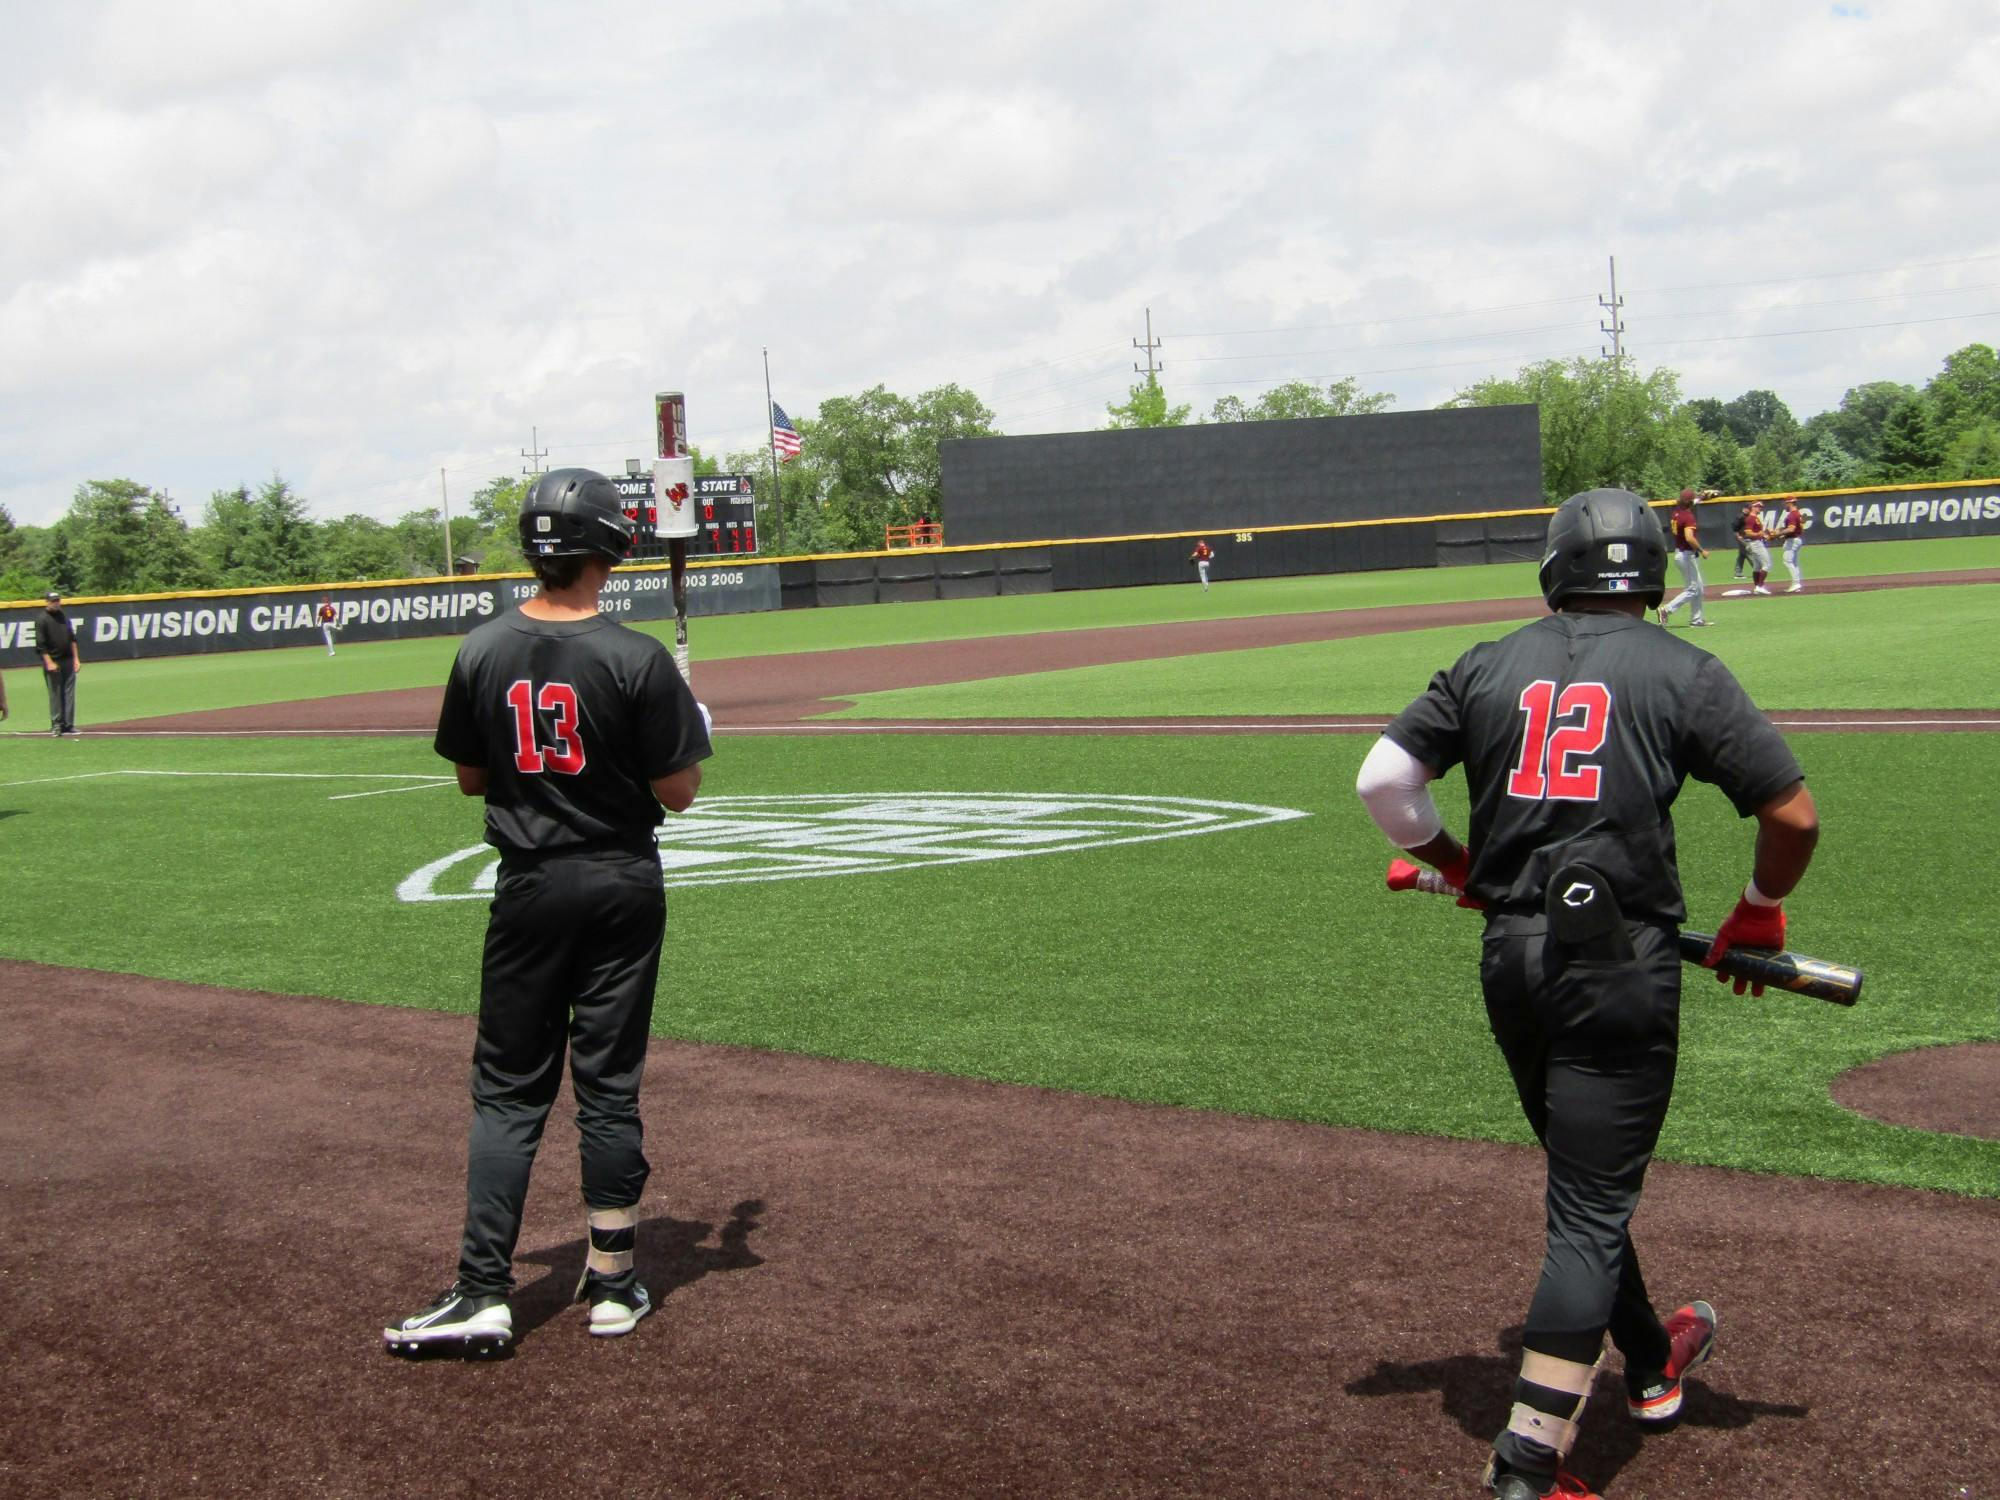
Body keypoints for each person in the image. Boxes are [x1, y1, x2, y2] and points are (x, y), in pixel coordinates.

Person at [1354, 488, 1819, 1500]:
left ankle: (1651, 1357)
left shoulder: (1481, 663)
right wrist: (1755, 913)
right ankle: (1526, 1467)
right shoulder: (1682, 670)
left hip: (1514, 959)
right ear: (1652, 573)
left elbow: (1380, 783)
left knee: (1583, 1187)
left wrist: (1460, 865)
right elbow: (1790, 814)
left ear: (1551, 571)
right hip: (1618, 966)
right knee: (1587, 1210)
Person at [385, 467, 713, 1357]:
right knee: (607, 1085)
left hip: (531, 885)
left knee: (509, 1088)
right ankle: (613, 1284)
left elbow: (470, 778)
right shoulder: (636, 656)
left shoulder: (483, 648)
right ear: (609, 546)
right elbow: (677, 793)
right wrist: (694, 729)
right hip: (621, 881)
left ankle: (484, 1289)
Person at [1655, 491, 1710, 628]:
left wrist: (1702, 497)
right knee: (1693, 589)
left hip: (1680, 553)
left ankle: (1696, 619)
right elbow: (1690, 538)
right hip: (1687, 555)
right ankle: (1666, 610)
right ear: (1689, 502)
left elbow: (1689, 503)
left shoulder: (1677, 512)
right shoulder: (1688, 516)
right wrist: (1702, 550)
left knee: (1699, 588)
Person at [35, 590, 81, 737]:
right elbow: (40, 645)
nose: (56, 603)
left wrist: (76, 659)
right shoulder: (42, 619)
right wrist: (48, 662)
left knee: (69, 693)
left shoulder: (63, 616)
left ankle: (68, 724)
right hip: (53, 661)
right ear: (46, 602)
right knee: (55, 694)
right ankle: (56, 725)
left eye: (57, 600)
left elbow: (72, 639)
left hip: (68, 660)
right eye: (53, 601)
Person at [1773, 498, 1807, 593]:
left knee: (1787, 561)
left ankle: (1796, 583)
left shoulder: (1792, 515)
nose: (1784, 505)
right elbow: (1799, 529)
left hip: (1792, 540)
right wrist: (1782, 533)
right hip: (1796, 539)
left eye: (1785, 503)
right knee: (1794, 562)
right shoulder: (1798, 514)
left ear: (1790, 503)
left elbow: (1791, 529)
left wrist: (1778, 534)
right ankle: (1797, 584)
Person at [1739, 502, 1773, 594]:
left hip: (1755, 543)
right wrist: (1759, 534)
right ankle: (1760, 586)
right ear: (1752, 507)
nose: (1760, 508)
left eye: (1761, 507)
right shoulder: (1751, 518)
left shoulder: (1755, 518)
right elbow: (1748, 533)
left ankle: (1757, 588)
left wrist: (1764, 536)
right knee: (1767, 564)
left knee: (1757, 566)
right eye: (1758, 506)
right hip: (1755, 543)